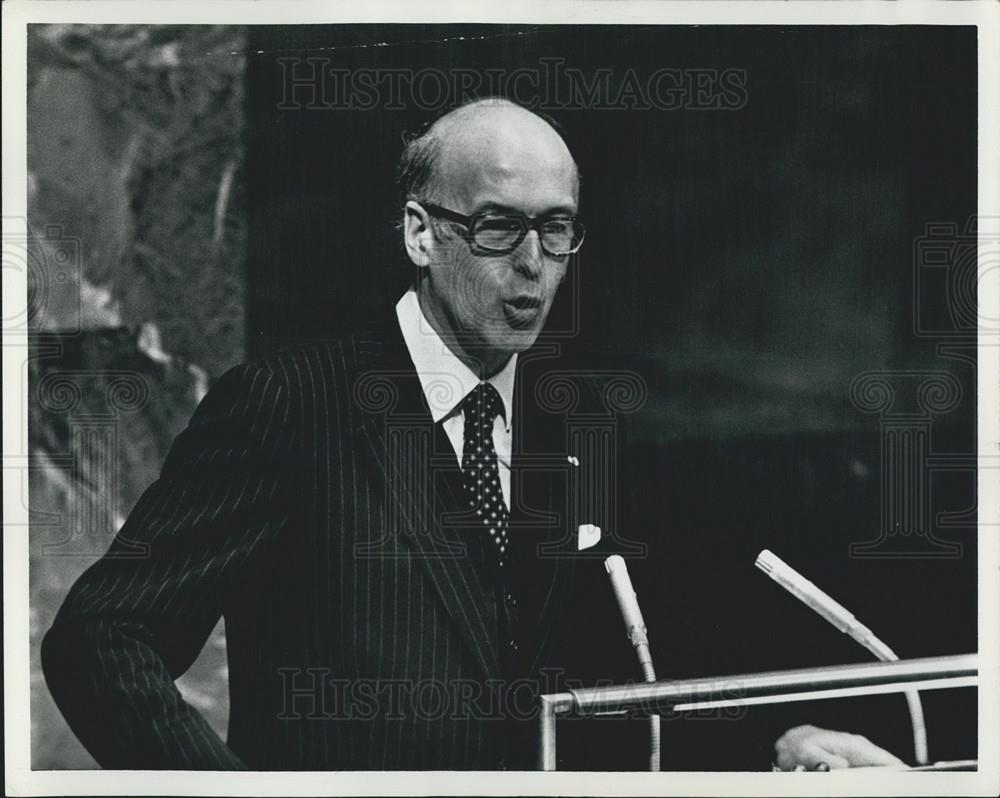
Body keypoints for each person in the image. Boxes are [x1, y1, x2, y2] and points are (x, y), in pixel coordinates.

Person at [41, 97, 903, 772]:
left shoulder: (575, 429)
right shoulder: (289, 405)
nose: (533, 262)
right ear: (421, 232)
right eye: (498, 226)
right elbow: (100, 639)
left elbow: (627, 685)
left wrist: (776, 743)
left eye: (556, 228)